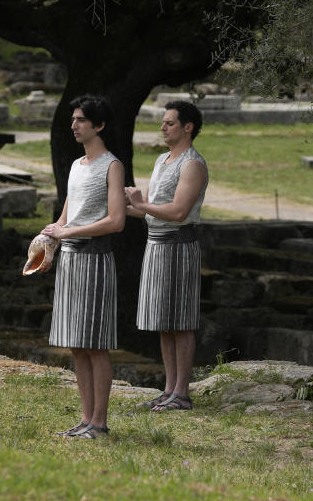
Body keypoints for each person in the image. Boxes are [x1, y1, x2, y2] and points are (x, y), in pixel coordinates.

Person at [41, 95, 126, 439]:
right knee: (77, 343)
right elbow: (67, 213)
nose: (73, 125)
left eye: (80, 120)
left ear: (99, 125)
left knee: (95, 343)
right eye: (73, 119)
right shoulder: (76, 166)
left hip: (95, 259)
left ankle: (100, 423)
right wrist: (49, 237)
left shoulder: (112, 165)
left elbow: (116, 221)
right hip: (71, 259)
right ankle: (86, 418)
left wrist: (70, 231)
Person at [125, 100, 208, 412]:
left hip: (179, 244)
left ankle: (182, 394)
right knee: (163, 320)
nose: (162, 127)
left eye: (169, 123)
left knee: (181, 319)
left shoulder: (193, 164)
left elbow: (178, 211)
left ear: (187, 128)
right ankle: (169, 389)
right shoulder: (162, 160)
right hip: (156, 244)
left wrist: (141, 205)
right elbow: (150, 208)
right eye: (163, 122)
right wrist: (124, 203)